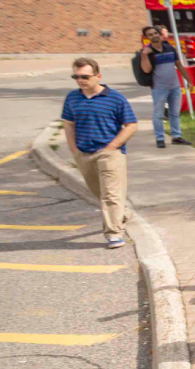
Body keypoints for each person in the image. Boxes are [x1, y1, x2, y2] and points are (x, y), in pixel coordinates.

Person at [61, 58, 137, 249]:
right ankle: (123, 213)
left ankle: (113, 234)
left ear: (98, 76)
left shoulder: (115, 98)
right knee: (99, 192)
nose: (80, 80)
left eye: (85, 76)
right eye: (76, 77)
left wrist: (113, 146)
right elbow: (68, 123)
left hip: (109, 154)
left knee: (110, 195)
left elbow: (131, 124)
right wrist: (73, 148)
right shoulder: (72, 98)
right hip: (83, 153)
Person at [139, 26, 189, 149]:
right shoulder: (147, 52)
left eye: (155, 33)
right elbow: (146, 70)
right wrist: (144, 55)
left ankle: (176, 136)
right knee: (158, 114)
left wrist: (188, 80)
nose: (154, 35)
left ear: (159, 34)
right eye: (150, 34)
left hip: (175, 86)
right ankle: (160, 138)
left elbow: (179, 65)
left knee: (175, 113)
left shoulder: (169, 48)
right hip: (159, 88)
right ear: (147, 38)